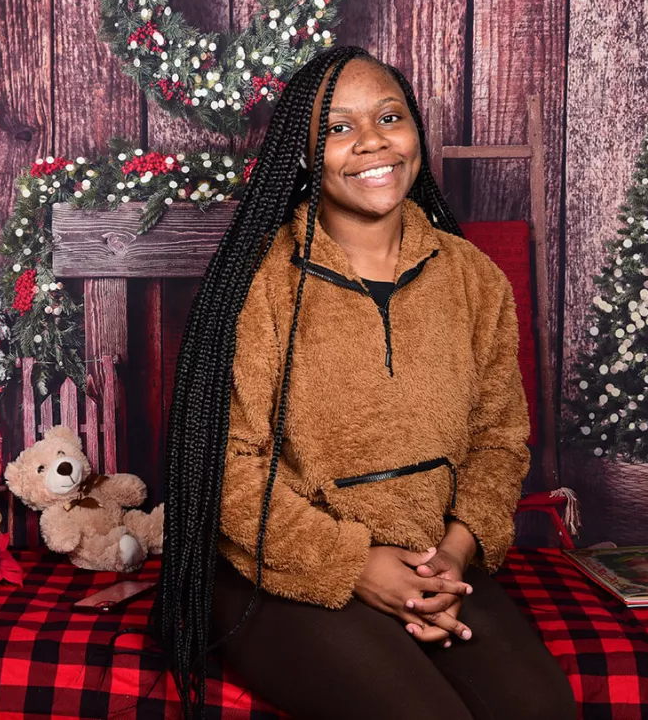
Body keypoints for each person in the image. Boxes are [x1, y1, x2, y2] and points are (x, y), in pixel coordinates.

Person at [149, 45, 577, 720]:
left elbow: (497, 442)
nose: (372, 141)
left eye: (388, 116)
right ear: (302, 154)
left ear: (413, 132)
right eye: (338, 128)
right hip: (281, 574)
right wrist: (356, 564)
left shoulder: (473, 279)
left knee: (542, 711)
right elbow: (225, 469)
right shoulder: (258, 283)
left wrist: (453, 559)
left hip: (432, 560)